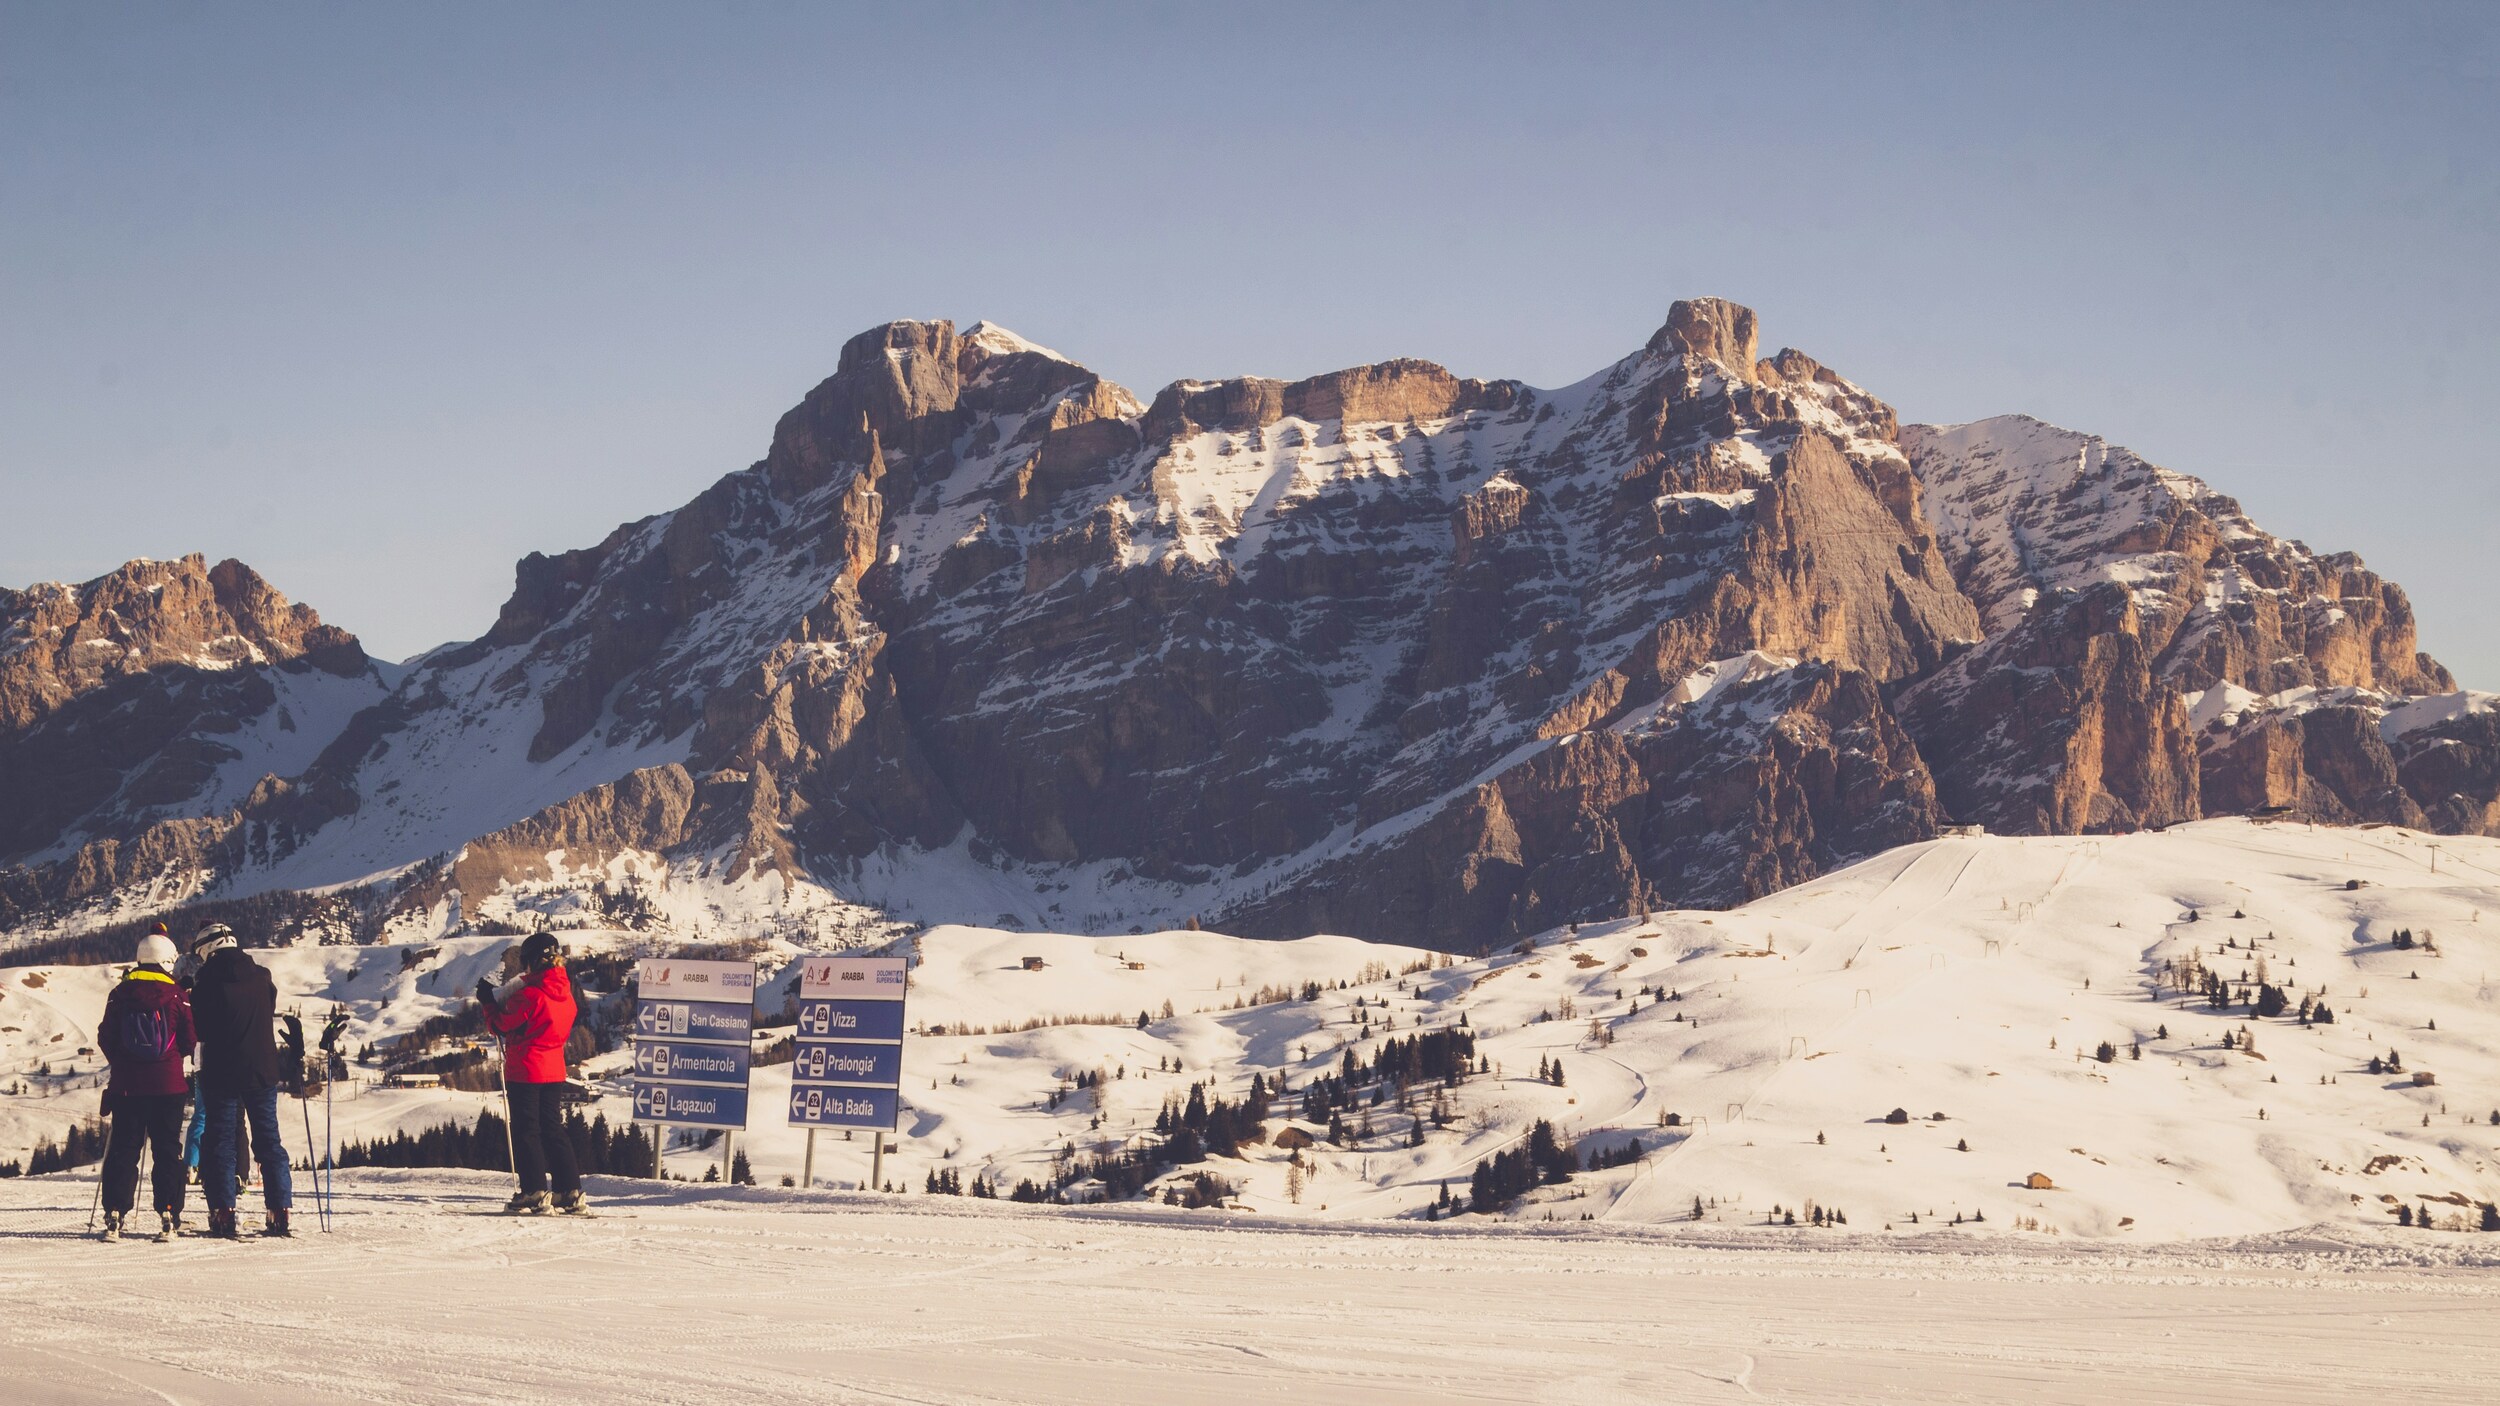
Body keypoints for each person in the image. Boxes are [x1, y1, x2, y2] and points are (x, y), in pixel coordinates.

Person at [189, 923, 294, 1238]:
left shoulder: (206, 981)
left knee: (220, 1141)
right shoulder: (262, 976)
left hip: (221, 1072)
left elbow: (200, 1029)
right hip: (262, 1071)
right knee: (269, 1142)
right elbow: (269, 1009)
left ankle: (224, 1211)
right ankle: (280, 1210)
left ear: (207, 949)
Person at [96, 929, 195, 1241]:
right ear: (167, 960)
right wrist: (172, 1060)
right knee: (167, 1150)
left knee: (124, 1149)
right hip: (168, 1086)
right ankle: (169, 1213)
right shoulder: (178, 995)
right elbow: (191, 1040)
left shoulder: (120, 994)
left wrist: (123, 1062)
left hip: (127, 1086)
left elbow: (105, 1036)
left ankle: (115, 1213)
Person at [478, 933, 584, 1214]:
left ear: (532, 961)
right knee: (552, 1129)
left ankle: (533, 1192)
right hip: (554, 1069)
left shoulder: (530, 996)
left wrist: (488, 1002)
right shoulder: (565, 995)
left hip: (525, 1069)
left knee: (527, 1131)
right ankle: (568, 1191)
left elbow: (501, 1025)